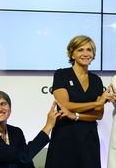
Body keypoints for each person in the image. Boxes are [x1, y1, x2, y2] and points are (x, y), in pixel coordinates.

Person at [45, 35, 112, 168]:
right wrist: (96, 103)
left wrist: (75, 115)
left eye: (89, 50)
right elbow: (64, 105)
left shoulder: (96, 80)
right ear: (72, 53)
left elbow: (98, 115)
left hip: (89, 138)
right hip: (65, 137)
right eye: (80, 50)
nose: (86, 54)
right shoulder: (61, 74)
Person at [0, 90, 63, 168]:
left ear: (10, 108)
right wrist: (48, 126)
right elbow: (23, 156)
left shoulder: (16, 132)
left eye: (3, 104)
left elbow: (27, 163)